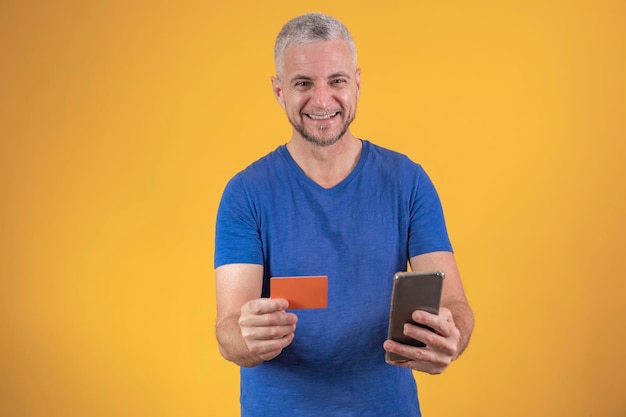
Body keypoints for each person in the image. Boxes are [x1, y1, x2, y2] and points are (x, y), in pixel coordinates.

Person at [214, 12, 474, 417]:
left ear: (357, 83)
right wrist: (247, 338)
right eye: (303, 83)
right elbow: (229, 329)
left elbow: (456, 305)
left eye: (336, 80)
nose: (322, 100)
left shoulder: (408, 181)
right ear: (279, 91)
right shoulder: (245, 194)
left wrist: (450, 336)